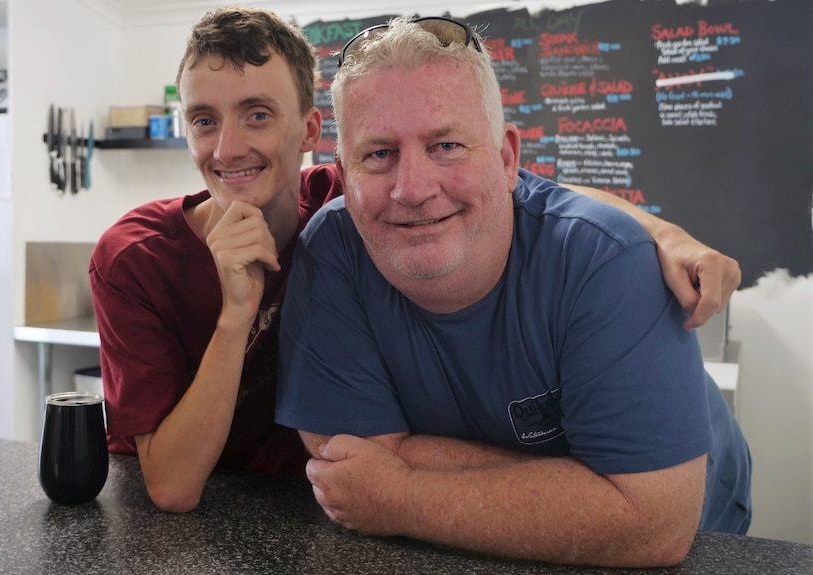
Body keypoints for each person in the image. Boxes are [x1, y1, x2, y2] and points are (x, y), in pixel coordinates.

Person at [90, 7, 739, 514]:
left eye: (257, 114)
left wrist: (660, 231)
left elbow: (515, 187)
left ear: (311, 134)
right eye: (203, 120)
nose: (228, 145)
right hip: (239, 512)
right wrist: (237, 314)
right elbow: (171, 488)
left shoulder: (344, 203)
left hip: (327, 499)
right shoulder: (139, 257)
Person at [274, 16, 752, 568]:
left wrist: (403, 495)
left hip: (704, 531)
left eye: (446, 144)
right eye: (378, 154)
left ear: (506, 158)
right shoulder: (332, 251)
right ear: (343, 171)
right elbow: (350, 462)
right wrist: (574, 491)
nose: (411, 189)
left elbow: (654, 523)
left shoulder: (607, 260)